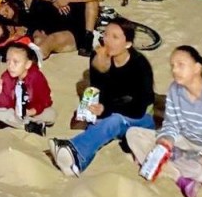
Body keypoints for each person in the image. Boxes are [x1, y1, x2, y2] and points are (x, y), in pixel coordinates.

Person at [126, 46, 202, 197]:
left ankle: (167, 166)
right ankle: (180, 178)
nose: (175, 70)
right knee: (133, 134)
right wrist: (167, 138)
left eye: (180, 65)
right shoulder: (174, 89)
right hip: (183, 142)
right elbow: (171, 124)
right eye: (172, 66)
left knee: (201, 169)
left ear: (197, 68)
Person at [51, 18, 155, 176]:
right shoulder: (99, 57)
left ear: (127, 43)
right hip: (113, 115)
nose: (108, 40)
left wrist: (107, 109)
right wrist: (102, 68)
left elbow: (138, 108)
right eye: (106, 35)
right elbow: (99, 93)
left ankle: (73, 151)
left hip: (141, 119)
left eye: (115, 37)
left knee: (113, 120)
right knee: (100, 122)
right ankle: (76, 164)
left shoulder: (139, 65)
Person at [28, 0, 100, 58]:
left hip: (70, 33)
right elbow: (34, 16)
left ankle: (29, 62)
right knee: (37, 39)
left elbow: (78, 21)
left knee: (50, 40)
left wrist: (63, 2)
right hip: (47, 30)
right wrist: (36, 31)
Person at [0, 44, 55, 136]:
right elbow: (5, 103)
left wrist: (33, 111)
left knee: (51, 115)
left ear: (27, 64)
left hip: (31, 111)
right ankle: (29, 126)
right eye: (8, 61)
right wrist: (0, 93)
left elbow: (46, 100)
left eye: (15, 62)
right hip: (13, 111)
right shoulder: (7, 76)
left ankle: (9, 122)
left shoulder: (36, 77)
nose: (10, 66)